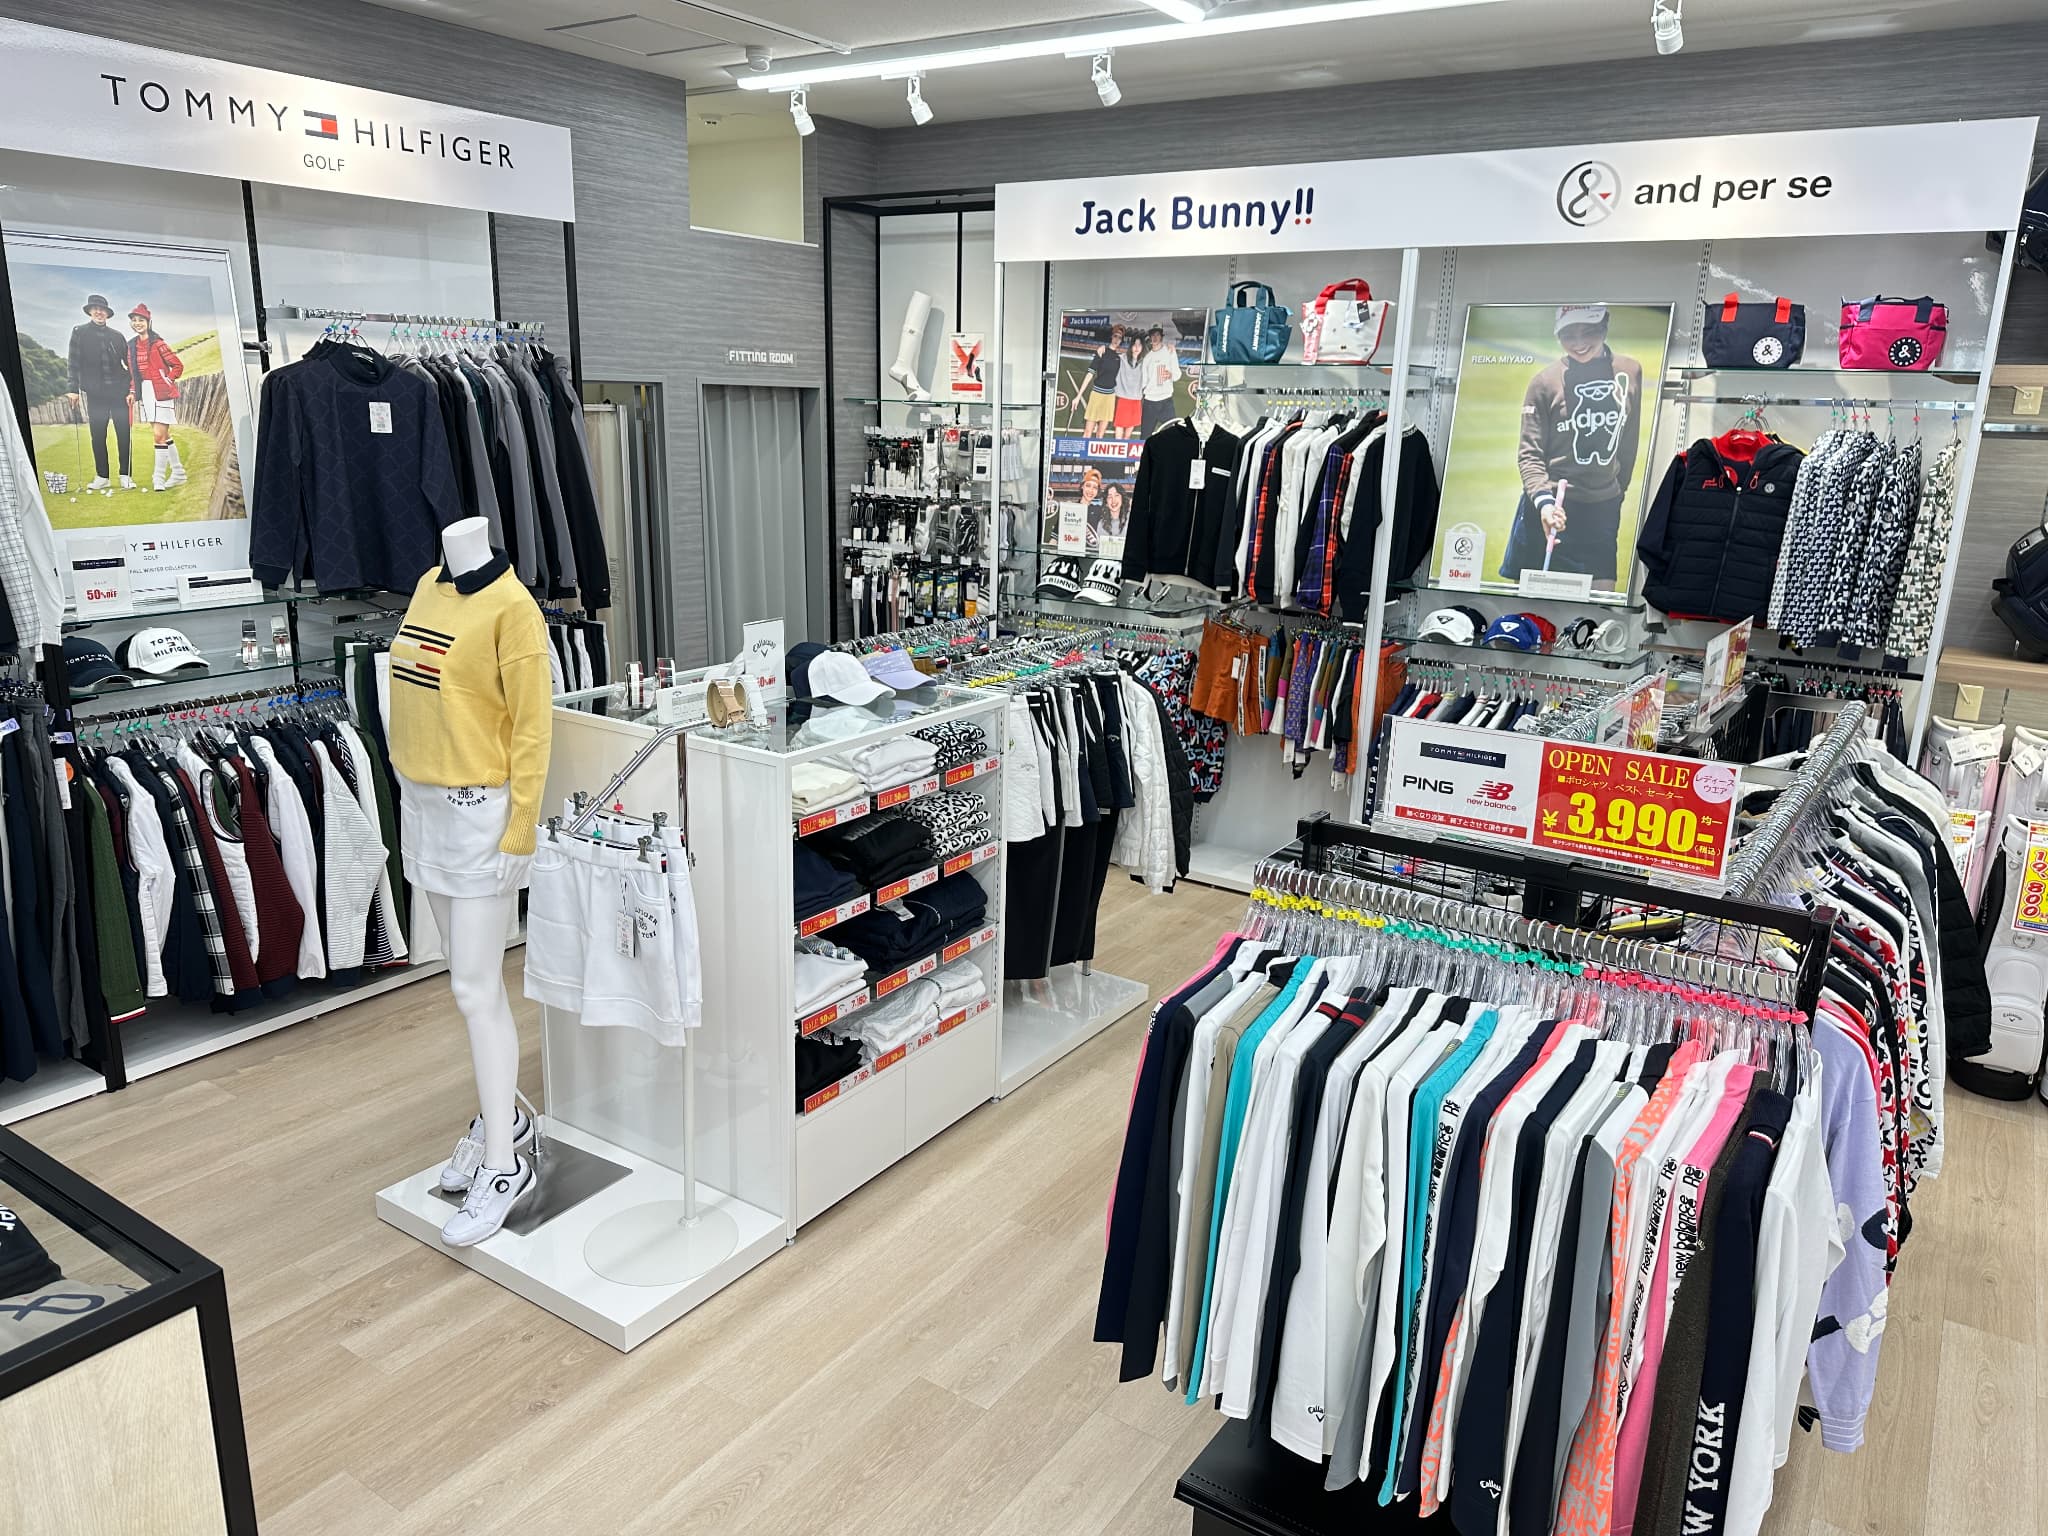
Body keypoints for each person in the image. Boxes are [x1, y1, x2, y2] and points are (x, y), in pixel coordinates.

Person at [1499, 304, 1646, 588]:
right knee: (1528, 603)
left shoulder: (1630, 371)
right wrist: (1544, 504)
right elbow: (1530, 454)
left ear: (1604, 327)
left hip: (1602, 510)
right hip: (1549, 507)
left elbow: (1628, 442)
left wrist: (1617, 492)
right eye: (1568, 335)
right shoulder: (1543, 383)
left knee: (1601, 602)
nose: (1579, 343)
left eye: (1588, 332)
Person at [66, 293, 134, 491]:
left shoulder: (117, 336)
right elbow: (73, 362)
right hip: (95, 393)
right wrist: (72, 389)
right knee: (98, 436)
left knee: (124, 434)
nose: (99, 312)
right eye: (95, 309)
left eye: (102, 309)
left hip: (119, 392)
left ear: (107, 313)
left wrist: (132, 389)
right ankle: (102, 477)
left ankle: (125, 476)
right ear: (90, 311)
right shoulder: (79, 332)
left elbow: (130, 365)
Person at [125, 303, 186, 493]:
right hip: (145, 391)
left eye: (141, 320)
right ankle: (178, 472)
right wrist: (133, 392)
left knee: (158, 436)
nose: (137, 323)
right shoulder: (131, 346)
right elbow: (133, 374)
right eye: (134, 320)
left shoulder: (158, 343)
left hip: (161, 391)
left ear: (148, 322)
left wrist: (167, 379)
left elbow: (178, 366)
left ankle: (158, 478)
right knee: (163, 436)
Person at [1139, 325, 1183, 437]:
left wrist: (1170, 375)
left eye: (1157, 335)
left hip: (1166, 400)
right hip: (1150, 402)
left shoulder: (1169, 351)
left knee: (1172, 435)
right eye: (1152, 335)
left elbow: (1177, 375)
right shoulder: (1147, 358)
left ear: (1161, 337)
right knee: (1145, 436)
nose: (1155, 337)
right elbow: (1144, 382)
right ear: (1150, 337)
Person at [1082, 323, 1125, 438]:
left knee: (1100, 434)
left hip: (1109, 397)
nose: (1117, 339)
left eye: (1120, 337)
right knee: (1088, 432)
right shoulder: (1102, 351)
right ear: (1111, 336)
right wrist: (1078, 396)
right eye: (1115, 336)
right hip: (1097, 394)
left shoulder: (1119, 358)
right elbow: (1090, 373)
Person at [1113, 335, 1145, 440]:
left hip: (1136, 399)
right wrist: (1103, 349)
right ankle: (1118, 448)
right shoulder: (1122, 358)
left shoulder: (1145, 362)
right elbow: (1111, 354)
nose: (1137, 347)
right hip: (1123, 398)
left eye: (1139, 345)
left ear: (1142, 347)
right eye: (1134, 345)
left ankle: (1124, 449)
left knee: (1127, 435)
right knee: (1119, 431)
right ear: (1131, 346)